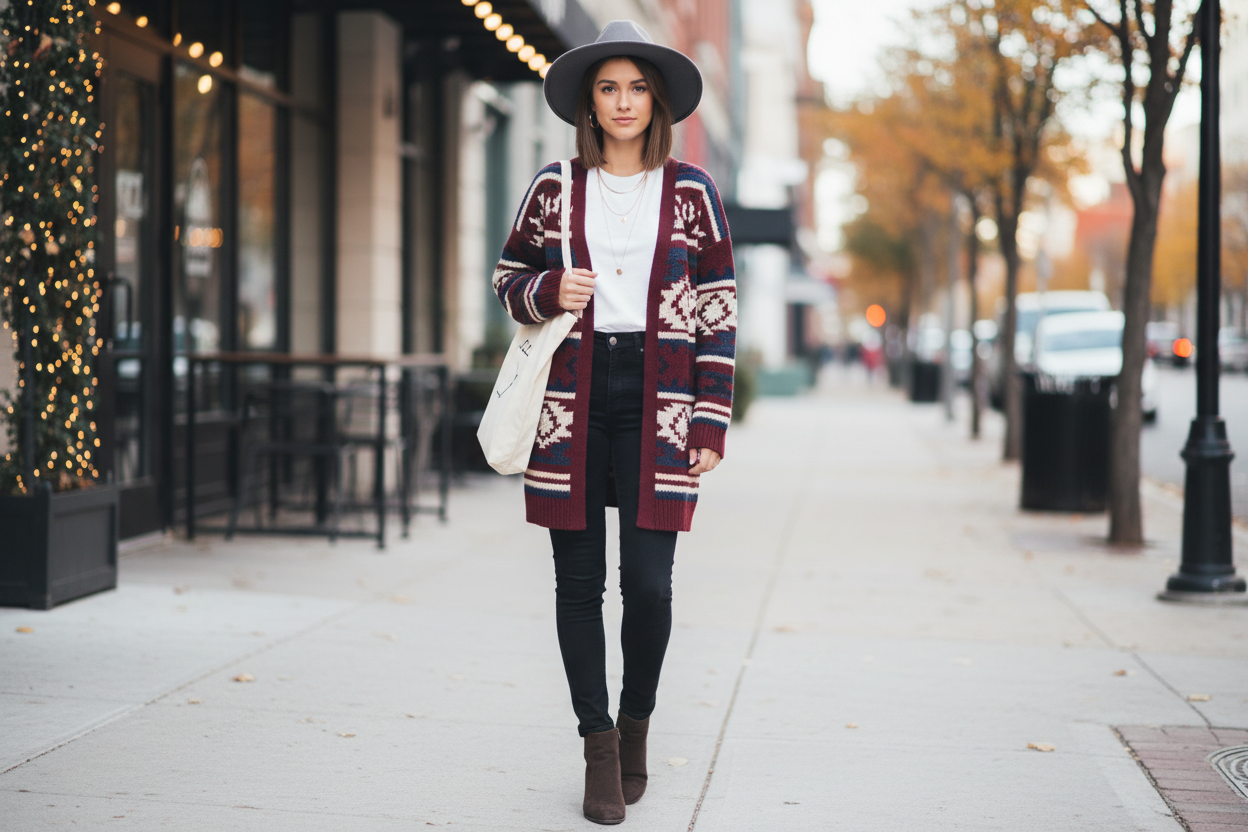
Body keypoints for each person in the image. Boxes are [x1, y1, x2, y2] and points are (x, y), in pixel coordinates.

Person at [491, 19, 737, 825]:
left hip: (660, 401)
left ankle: (637, 722)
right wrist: (547, 288)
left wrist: (708, 422)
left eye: (636, 87)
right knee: (578, 584)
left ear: (654, 99)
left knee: (651, 587)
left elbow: (718, 310)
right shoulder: (556, 187)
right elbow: (508, 276)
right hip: (573, 397)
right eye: (608, 88)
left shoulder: (693, 192)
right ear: (588, 104)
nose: (623, 102)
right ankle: (598, 748)